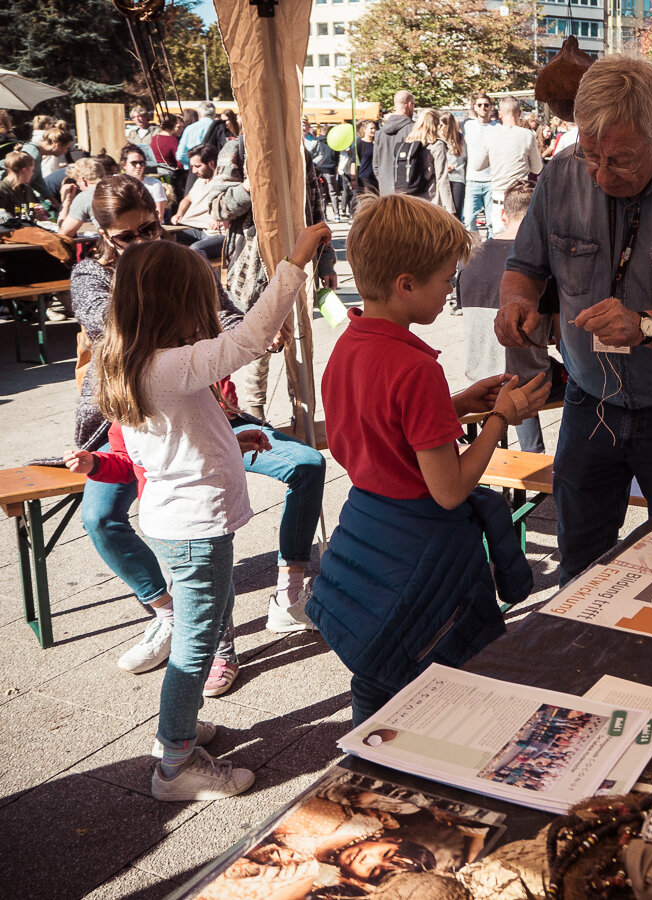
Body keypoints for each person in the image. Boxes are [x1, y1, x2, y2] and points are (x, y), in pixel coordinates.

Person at [80, 222, 330, 802]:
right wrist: (293, 262)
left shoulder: (136, 363)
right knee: (195, 644)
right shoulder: (170, 364)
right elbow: (249, 339)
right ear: (175, 304)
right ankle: (175, 763)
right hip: (195, 528)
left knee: (200, 630)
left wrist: (231, 444)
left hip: (178, 518)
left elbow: (170, 443)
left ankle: (181, 727)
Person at [496, 54, 652, 584]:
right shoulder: (563, 174)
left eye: (621, 161)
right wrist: (515, 301)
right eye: (592, 155)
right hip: (588, 402)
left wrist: (646, 327)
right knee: (580, 563)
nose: (601, 174)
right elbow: (524, 266)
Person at [308, 193, 548, 724]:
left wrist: (457, 407)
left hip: (367, 525)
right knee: (449, 680)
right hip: (419, 543)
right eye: (445, 280)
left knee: (378, 679)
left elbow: (384, 428)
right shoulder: (415, 369)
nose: (451, 290)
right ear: (406, 284)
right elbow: (449, 487)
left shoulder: (348, 345)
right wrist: (498, 420)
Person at [209, 133, 338, 420]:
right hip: (250, 271)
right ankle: (256, 415)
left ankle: (302, 415)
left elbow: (314, 207)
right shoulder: (237, 149)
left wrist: (326, 260)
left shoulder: (296, 148)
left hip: (299, 260)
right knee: (259, 344)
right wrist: (248, 187)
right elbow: (217, 206)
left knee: (300, 342)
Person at [460, 183, 565, 453]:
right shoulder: (543, 269)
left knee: (519, 371)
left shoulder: (472, 258)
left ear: (503, 215)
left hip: (477, 377)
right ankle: (537, 456)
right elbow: (563, 341)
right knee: (581, 382)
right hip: (521, 381)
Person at [479, 97, 542, 227]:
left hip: (498, 198)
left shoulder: (490, 134)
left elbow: (478, 165)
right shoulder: (527, 135)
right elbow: (537, 168)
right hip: (520, 197)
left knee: (499, 241)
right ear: (520, 112)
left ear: (500, 114)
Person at [171, 145, 224, 258]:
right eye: (192, 167)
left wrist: (221, 218)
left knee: (195, 249)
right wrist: (179, 213)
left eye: (198, 166)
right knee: (167, 239)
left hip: (217, 234)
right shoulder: (200, 180)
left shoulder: (223, 181)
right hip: (196, 229)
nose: (194, 171)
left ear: (211, 163)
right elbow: (187, 199)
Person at [405, 109, 454, 213]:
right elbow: (442, 177)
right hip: (430, 198)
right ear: (435, 124)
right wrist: (449, 208)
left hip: (410, 196)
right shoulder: (437, 145)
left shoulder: (409, 142)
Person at [462, 93, 498, 234]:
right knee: (469, 220)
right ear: (475, 108)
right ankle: (473, 253)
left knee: (491, 222)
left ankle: (489, 254)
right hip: (472, 180)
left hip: (491, 180)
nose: (483, 107)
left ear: (490, 108)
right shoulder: (468, 126)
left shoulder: (497, 127)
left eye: (486, 105)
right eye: (479, 105)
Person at [374, 90, 415, 195]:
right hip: (407, 191)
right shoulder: (413, 130)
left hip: (385, 191)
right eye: (414, 104)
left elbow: (376, 165)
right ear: (409, 105)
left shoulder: (380, 133)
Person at [58, 158, 110, 238]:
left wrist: (66, 203)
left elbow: (64, 234)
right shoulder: (116, 188)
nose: (80, 188)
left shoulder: (85, 196)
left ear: (83, 181)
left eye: (78, 184)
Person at [21, 127, 72, 205]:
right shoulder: (32, 154)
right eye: (67, 148)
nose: (65, 152)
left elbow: (37, 180)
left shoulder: (38, 154)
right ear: (58, 145)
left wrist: (53, 200)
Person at [119, 143, 168, 221]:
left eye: (141, 163)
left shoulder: (154, 184)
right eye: (134, 163)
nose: (138, 166)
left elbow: (159, 216)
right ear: (124, 165)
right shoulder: (117, 183)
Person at [0, 151, 46, 219]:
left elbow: (31, 215)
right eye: (32, 171)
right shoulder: (2, 190)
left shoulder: (27, 189)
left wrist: (38, 213)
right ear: (24, 171)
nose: (32, 174)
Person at [439, 111, 466, 217]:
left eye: (441, 125)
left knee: (456, 214)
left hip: (456, 178)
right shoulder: (437, 139)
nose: (439, 128)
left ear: (448, 125)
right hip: (442, 180)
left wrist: (453, 166)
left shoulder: (459, 139)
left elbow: (463, 158)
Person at [178, 102, 217, 173]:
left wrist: (193, 164)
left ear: (199, 114)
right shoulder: (219, 128)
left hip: (194, 172)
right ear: (214, 114)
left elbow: (180, 155)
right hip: (215, 170)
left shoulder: (190, 129)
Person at [352, 118, 378, 200]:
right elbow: (353, 162)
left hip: (376, 177)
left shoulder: (377, 144)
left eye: (374, 128)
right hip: (364, 178)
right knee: (368, 200)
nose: (373, 130)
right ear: (364, 129)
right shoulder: (359, 144)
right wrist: (353, 179)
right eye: (371, 128)